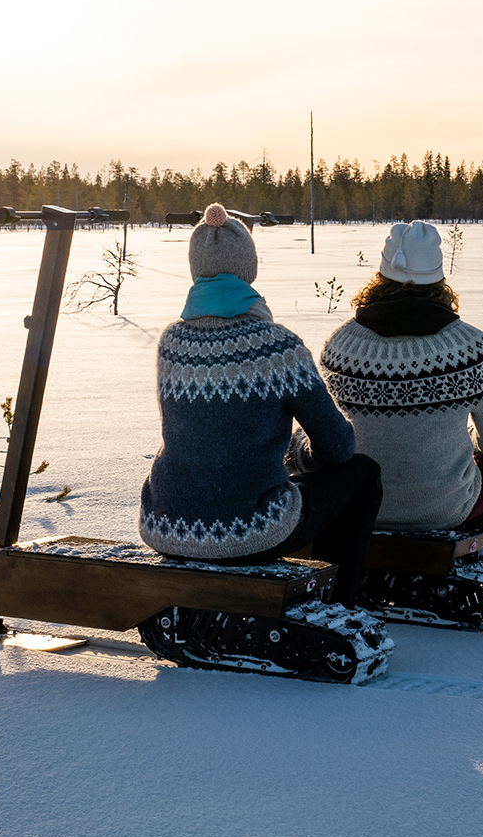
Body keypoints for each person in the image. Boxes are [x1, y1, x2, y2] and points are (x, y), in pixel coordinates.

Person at [139, 204, 383, 605]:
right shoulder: (277, 347)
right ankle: (337, 602)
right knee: (361, 473)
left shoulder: (172, 342)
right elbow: (338, 447)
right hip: (248, 531)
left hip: (167, 524)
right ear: (248, 269)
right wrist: (301, 451)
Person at [314, 221, 483, 558]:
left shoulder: (340, 345)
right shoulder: (470, 347)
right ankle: (458, 553)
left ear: (380, 275)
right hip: (444, 510)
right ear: (438, 279)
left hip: (355, 505)